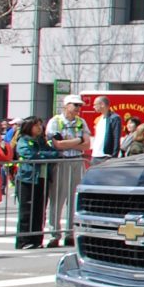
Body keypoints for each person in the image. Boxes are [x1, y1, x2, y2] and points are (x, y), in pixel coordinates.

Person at [43, 98, 89, 247]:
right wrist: (78, 140)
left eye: (80, 105)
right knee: (57, 198)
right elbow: (57, 145)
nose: (78, 108)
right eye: (75, 105)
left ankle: (70, 234)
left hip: (77, 161)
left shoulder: (81, 122)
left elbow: (87, 145)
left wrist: (72, 143)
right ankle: (54, 234)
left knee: (73, 200)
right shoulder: (55, 121)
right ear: (66, 105)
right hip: (61, 162)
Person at [11, 116, 50, 249]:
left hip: (42, 178)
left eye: (40, 125)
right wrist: (45, 155)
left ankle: (37, 239)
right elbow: (31, 155)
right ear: (29, 127)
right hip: (27, 178)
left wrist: (45, 154)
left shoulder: (41, 140)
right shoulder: (23, 140)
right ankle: (23, 240)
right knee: (27, 210)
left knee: (40, 210)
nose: (39, 128)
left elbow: (52, 152)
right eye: (36, 125)